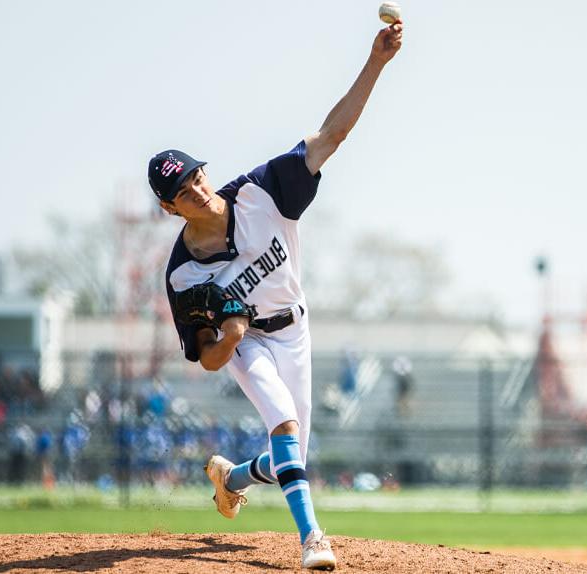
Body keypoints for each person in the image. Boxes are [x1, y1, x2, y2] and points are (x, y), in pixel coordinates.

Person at [147, 19, 403, 571]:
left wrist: (376, 62)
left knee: (294, 457)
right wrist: (231, 335)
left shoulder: (263, 191)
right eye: (180, 192)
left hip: (295, 330)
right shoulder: (185, 275)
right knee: (282, 424)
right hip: (248, 344)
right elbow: (208, 357)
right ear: (170, 209)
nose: (194, 189)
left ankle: (231, 478)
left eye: (194, 176)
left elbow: (330, 135)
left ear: (204, 172)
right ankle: (313, 539)